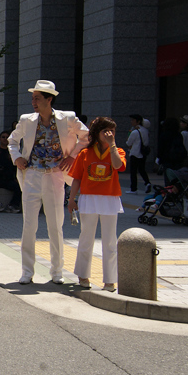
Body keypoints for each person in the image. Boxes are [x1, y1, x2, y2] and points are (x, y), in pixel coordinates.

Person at [8, 80, 88, 285]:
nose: (33, 102)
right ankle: (27, 271)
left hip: (56, 175)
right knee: (29, 225)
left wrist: (73, 156)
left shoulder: (67, 118)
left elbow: (86, 136)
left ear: (49, 99)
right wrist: (16, 157)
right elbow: (12, 140)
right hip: (32, 174)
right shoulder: (27, 120)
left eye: (37, 98)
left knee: (56, 225)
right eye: (32, 98)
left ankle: (57, 271)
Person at [67, 117, 127, 292]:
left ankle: (110, 280)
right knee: (86, 238)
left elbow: (117, 166)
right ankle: (83, 275)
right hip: (89, 198)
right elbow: (77, 178)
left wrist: (112, 144)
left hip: (110, 198)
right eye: (105, 131)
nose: (110, 134)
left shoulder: (118, 151)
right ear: (96, 133)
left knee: (109, 241)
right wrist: (71, 200)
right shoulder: (85, 153)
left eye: (113, 131)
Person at [125, 114, 152, 194]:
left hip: (135, 153)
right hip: (143, 153)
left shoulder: (135, 132)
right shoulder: (146, 131)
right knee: (142, 169)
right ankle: (147, 182)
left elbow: (128, 142)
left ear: (138, 121)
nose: (131, 122)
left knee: (133, 171)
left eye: (133, 120)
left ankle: (133, 189)